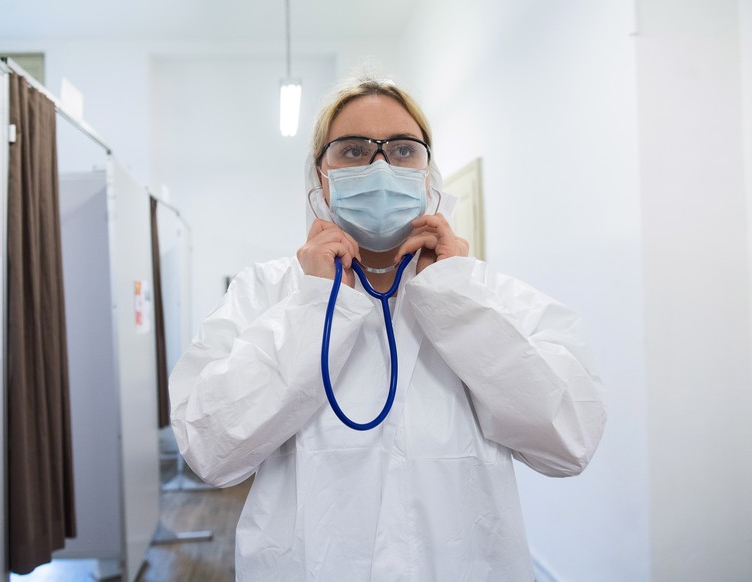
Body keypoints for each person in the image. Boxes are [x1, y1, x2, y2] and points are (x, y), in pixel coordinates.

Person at [168, 77, 606, 581]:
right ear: (322, 175)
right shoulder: (266, 292)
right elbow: (210, 450)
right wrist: (315, 305)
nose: (380, 167)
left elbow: (568, 442)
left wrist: (454, 300)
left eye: (402, 149)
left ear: (427, 171)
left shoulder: (488, 294)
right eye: (353, 151)